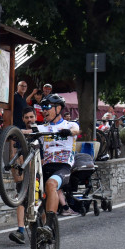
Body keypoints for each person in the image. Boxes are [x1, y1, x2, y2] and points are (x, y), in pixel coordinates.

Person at [37, 94, 80, 238]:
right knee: (32, 192)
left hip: (63, 168)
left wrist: (68, 133)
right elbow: (27, 131)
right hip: (46, 167)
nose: (44, 110)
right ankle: (34, 226)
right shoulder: (42, 127)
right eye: (42, 107)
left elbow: (76, 131)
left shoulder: (69, 125)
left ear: (58, 108)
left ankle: (49, 225)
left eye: (47, 107)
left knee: (51, 185)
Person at [8, 107, 37, 244]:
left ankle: (42, 229)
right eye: (27, 118)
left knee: (39, 201)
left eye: (31, 117)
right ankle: (20, 231)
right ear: (23, 119)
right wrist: (15, 171)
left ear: (35, 117)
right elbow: (13, 153)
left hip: (38, 171)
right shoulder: (18, 133)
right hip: (23, 169)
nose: (29, 120)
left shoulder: (40, 130)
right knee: (21, 197)